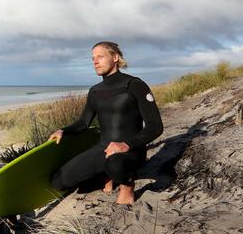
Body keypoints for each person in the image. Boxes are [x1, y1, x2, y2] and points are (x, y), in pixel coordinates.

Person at [49, 42, 163, 205]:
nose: (95, 61)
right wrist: (63, 131)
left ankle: (127, 185)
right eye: (93, 58)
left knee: (115, 164)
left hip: (130, 152)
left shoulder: (134, 85)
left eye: (100, 56)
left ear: (115, 57)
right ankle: (106, 175)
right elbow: (83, 122)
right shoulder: (95, 91)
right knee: (59, 181)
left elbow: (155, 126)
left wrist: (126, 145)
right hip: (103, 149)